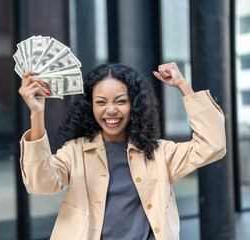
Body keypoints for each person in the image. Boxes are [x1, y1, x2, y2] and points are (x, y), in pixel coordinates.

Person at [18, 62, 226, 240]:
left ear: (134, 105)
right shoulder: (75, 151)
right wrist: (37, 113)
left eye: (121, 101)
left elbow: (212, 145)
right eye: (101, 102)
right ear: (90, 106)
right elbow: (41, 184)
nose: (110, 110)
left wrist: (183, 86)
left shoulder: (159, 153)